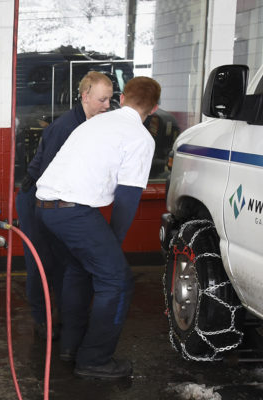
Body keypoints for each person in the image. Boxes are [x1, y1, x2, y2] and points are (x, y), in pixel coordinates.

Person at [35, 76, 161, 379]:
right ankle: (95, 360)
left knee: (79, 269)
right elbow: (127, 199)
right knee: (116, 281)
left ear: (123, 97)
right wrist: (112, 244)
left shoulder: (93, 123)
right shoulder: (140, 137)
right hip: (73, 212)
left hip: (45, 208)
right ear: (154, 108)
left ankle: (71, 346)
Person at [15, 71, 114, 340]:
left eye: (110, 100)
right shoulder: (66, 128)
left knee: (65, 260)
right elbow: (48, 178)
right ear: (85, 96)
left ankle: (63, 315)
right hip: (37, 196)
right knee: (42, 261)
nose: (107, 105)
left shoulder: (93, 124)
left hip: (59, 199)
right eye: (102, 100)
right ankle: (42, 319)